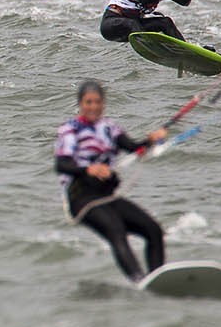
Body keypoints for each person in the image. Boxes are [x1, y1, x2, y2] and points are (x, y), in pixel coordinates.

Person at [55, 80, 168, 281]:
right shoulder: (70, 130)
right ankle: (138, 280)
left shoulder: (109, 128)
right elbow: (62, 164)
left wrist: (151, 140)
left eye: (97, 102)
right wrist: (89, 169)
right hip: (82, 199)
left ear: (103, 103)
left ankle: (157, 279)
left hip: (107, 197)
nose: (93, 107)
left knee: (153, 229)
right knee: (116, 231)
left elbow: (133, 147)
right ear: (81, 104)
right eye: (88, 102)